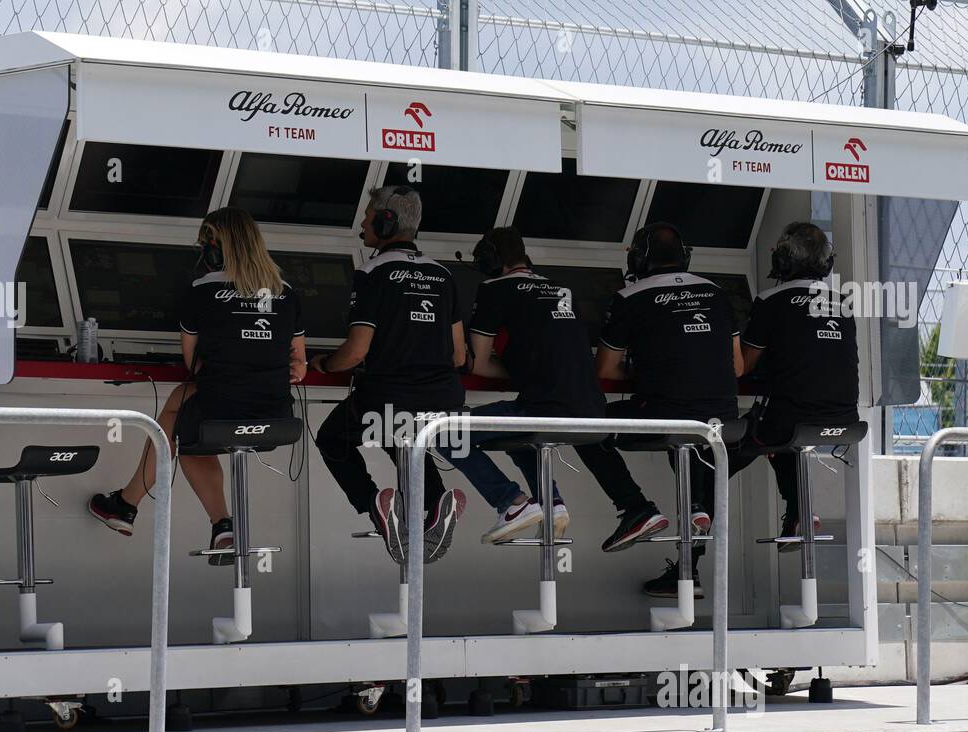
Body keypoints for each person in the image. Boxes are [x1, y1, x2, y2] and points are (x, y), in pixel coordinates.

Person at [88, 207, 306, 563]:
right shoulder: (287, 292)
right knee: (184, 416)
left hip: (219, 413)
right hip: (276, 417)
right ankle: (205, 522)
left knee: (181, 425)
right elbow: (299, 363)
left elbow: (193, 364)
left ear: (219, 247)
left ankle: (132, 506)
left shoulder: (202, 290)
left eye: (207, 241)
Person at [310, 185, 467, 564]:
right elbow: (459, 354)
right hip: (445, 400)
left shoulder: (372, 273)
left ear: (385, 220)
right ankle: (434, 505)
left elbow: (357, 350)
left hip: (388, 395)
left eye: (367, 217)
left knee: (334, 438)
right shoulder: (444, 275)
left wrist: (325, 363)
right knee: (403, 437)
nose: (362, 225)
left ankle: (378, 509)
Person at [587, 221, 742, 597]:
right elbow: (736, 367)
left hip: (667, 415)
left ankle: (636, 508)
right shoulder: (718, 293)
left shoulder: (629, 297)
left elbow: (605, 371)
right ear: (685, 257)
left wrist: (648, 363)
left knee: (584, 426)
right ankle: (691, 560)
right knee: (696, 448)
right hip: (723, 422)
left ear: (640, 258)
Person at [453, 226, 616, 543]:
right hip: (593, 412)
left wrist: (519, 369)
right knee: (519, 435)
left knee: (449, 432)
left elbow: (480, 363)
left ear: (491, 260)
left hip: (543, 409)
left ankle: (511, 503)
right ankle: (551, 504)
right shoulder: (561, 289)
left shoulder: (494, 289)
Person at [732, 221, 858, 550]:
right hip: (845, 423)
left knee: (720, 453)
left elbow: (743, 366)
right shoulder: (844, 304)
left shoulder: (770, 300)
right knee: (782, 440)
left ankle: (696, 519)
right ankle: (800, 515)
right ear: (826, 264)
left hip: (792, 421)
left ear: (783, 260)